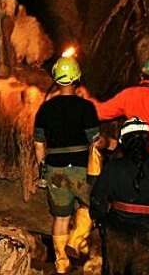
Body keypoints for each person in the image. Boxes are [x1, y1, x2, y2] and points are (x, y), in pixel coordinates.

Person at [90, 117, 149, 275]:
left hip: (118, 232)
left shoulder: (113, 168)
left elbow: (97, 198)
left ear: (123, 142)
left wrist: (100, 220)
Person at [34, 56, 100, 273]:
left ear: (56, 78)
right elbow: (95, 140)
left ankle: (61, 264)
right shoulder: (86, 107)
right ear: (77, 78)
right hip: (81, 168)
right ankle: (76, 238)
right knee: (91, 207)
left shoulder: (45, 110)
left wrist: (43, 168)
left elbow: (39, 143)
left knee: (60, 218)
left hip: (55, 169)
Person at [91, 58, 149, 161]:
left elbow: (100, 112)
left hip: (134, 154)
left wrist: (86, 98)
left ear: (141, 76)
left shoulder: (128, 95)